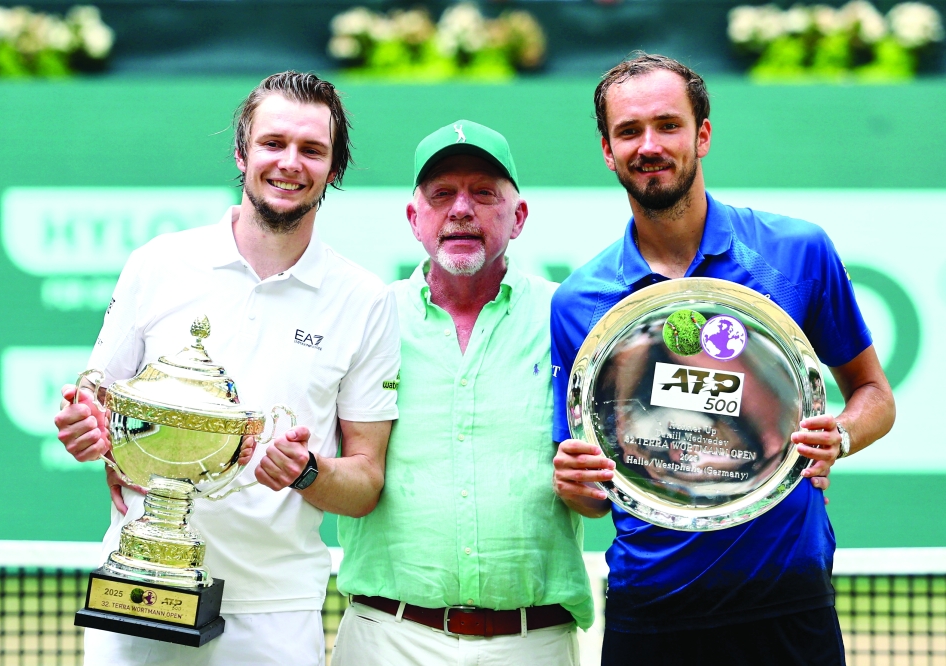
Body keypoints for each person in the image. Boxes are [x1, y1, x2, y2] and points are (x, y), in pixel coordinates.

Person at [551, 53, 895, 666]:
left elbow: (875, 395)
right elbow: (595, 491)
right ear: (607, 150)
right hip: (650, 604)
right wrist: (576, 485)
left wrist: (837, 436)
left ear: (702, 134)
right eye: (629, 132)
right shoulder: (581, 303)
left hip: (787, 597)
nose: (648, 145)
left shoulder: (799, 252)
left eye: (668, 125)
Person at [53, 71, 401, 666]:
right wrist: (86, 432)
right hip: (141, 588)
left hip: (275, 608)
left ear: (333, 170)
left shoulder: (365, 300)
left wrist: (306, 471)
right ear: (242, 153)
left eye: (312, 149)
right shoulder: (158, 263)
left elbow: (366, 483)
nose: (290, 162)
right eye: (273, 143)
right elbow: (98, 406)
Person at [332, 120, 593, 666]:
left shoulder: (569, 317)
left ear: (517, 217)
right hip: (388, 636)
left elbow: (600, 489)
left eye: (483, 194)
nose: (461, 210)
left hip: (534, 640)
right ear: (414, 218)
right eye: (442, 194)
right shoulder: (367, 318)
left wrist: (589, 488)